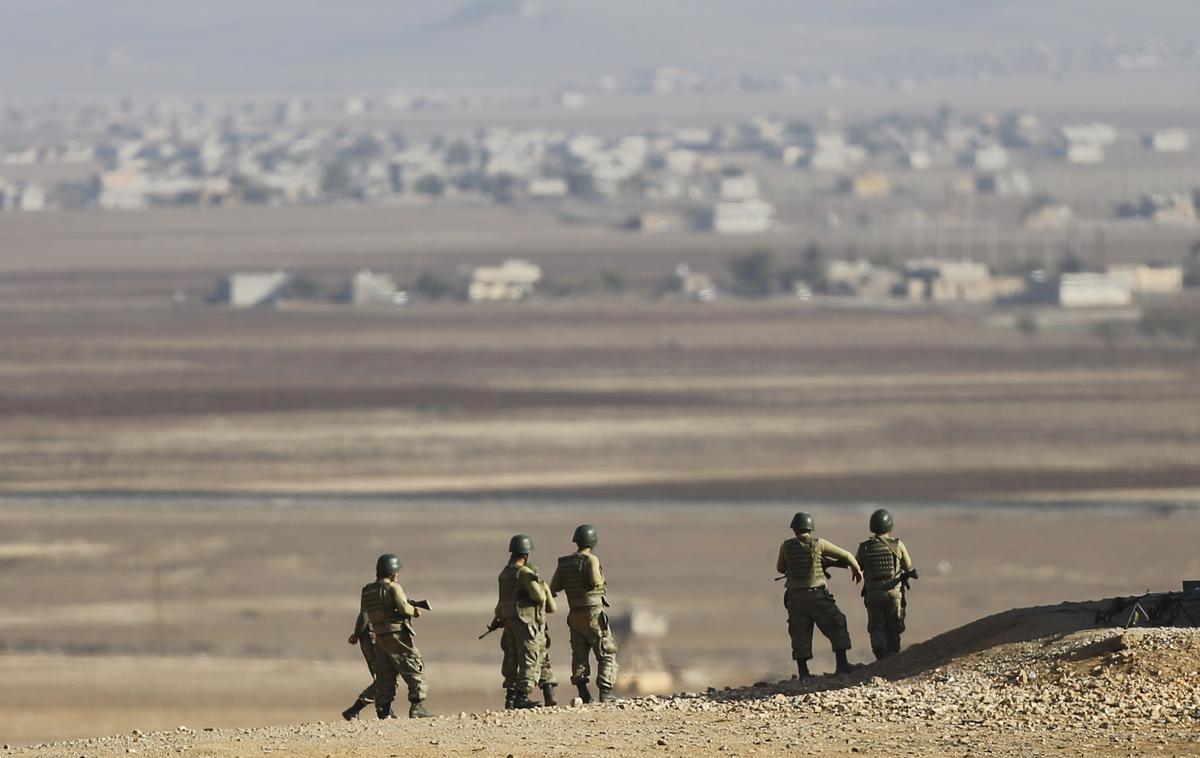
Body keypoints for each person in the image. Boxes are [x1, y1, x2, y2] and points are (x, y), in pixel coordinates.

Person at [776, 512, 863, 678]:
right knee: (837, 622)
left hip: (795, 597)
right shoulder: (819, 544)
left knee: (799, 632)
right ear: (811, 528)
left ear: (794, 528)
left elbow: (780, 568)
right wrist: (856, 569)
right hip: (816, 595)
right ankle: (842, 665)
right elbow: (846, 555)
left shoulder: (786, 546)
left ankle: (803, 673)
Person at [549, 523, 619, 703]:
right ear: (593, 541)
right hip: (593, 614)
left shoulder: (565, 563)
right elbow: (595, 580)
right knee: (606, 652)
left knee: (579, 653)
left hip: (574, 615)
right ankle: (606, 691)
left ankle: (583, 692)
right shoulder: (591, 560)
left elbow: (554, 587)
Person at [359, 553, 431, 718]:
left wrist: (357, 634)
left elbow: (364, 614)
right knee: (414, 667)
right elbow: (404, 609)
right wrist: (415, 611)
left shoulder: (368, 590)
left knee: (386, 673)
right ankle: (417, 706)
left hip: (379, 635)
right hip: (397, 635)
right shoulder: (393, 588)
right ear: (392, 572)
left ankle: (384, 710)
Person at [493, 534, 549, 709]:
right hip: (525, 621)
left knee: (511, 658)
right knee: (529, 657)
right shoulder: (523, 572)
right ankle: (522, 696)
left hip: (508, 621)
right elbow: (539, 597)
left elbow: (501, 602)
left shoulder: (504, 573)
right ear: (526, 555)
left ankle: (510, 696)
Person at [856, 508, 917, 660]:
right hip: (893, 593)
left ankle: (880, 658)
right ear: (890, 526)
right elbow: (908, 566)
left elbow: (858, 565)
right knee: (894, 627)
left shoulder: (864, 547)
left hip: (873, 593)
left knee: (877, 627)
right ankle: (892, 658)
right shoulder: (897, 545)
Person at [340, 609, 377, 720]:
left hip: (377, 636)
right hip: (374, 637)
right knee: (384, 677)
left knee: (384, 677)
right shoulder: (377, 591)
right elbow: (365, 614)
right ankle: (355, 709)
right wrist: (357, 634)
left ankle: (385, 709)